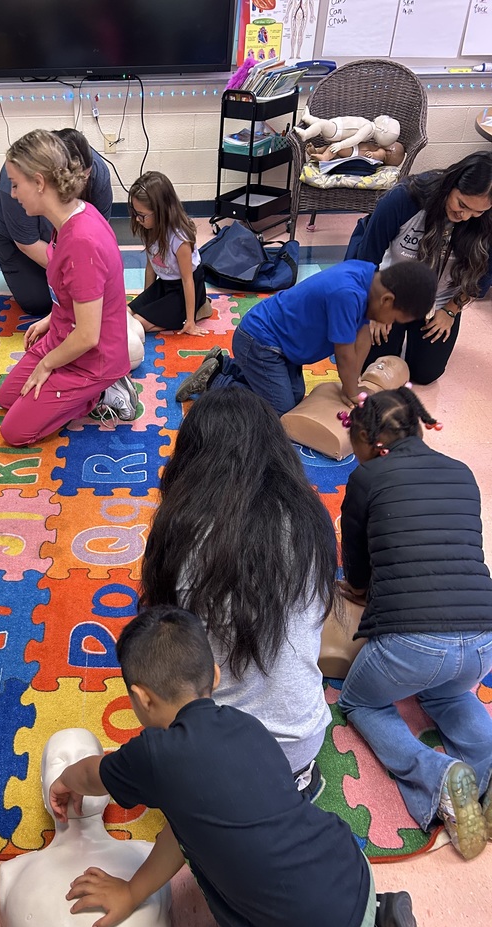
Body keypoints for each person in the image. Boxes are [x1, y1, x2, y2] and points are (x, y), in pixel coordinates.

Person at [49, 606, 423, 927]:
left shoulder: (155, 756)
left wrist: (65, 779)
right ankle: (381, 919)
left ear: (141, 698)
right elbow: (182, 831)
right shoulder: (247, 726)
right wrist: (133, 892)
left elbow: (91, 774)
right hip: (354, 878)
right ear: (214, 674)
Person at [141, 387, 336, 793]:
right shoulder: (310, 515)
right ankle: (292, 782)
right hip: (302, 737)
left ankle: (224, 795)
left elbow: (165, 640)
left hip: (214, 748)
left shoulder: (180, 527)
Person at [336, 387, 492, 861]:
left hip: (413, 645)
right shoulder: (463, 472)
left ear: (369, 438)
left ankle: (438, 776)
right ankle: (487, 767)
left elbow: (357, 566)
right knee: (447, 692)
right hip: (483, 641)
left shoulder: (368, 478)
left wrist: (358, 592)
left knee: (360, 701)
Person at [0, 728, 175, 927]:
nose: (71, 769)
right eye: (59, 762)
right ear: (44, 787)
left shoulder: (152, 858)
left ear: (108, 781)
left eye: (85, 760)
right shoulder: (13, 872)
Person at [0, 130, 137, 446]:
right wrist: (50, 320)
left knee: (14, 432)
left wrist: (47, 363)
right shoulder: (72, 217)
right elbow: (76, 292)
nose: (14, 193)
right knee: (7, 398)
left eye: (16, 184)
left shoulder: (82, 241)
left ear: (39, 182)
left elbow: (88, 335)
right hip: (64, 334)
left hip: (92, 356)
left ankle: (104, 389)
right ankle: (74, 391)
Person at [175, 260, 437, 416]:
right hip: (260, 342)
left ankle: (225, 366)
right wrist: (351, 391)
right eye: (395, 318)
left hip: (283, 349)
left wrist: (354, 385)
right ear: (388, 300)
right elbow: (344, 354)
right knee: (279, 410)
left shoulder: (368, 278)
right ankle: (215, 379)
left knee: (297, 395)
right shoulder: (347, 295)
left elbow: (364, 336)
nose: (390, 324)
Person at [346, 151, 492, 384]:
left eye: (478, 212)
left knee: (425, 374)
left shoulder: (485, 222)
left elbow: (482, 279)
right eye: (462, 204)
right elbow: (367, 257)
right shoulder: (404, 198)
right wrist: (375, 308)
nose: (465, 216)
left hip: (440, 300)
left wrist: (451, 311)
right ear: (451, 184)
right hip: (388, 293)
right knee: (371, 364)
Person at [0, 127, 113, 316]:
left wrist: (80, 275)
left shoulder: (96, 173)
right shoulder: (17, 187)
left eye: (85, 178)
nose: (81, 184)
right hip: (22, 240)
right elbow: (27, 243)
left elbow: (87, 337)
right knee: (41, 302)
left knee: (72, 294)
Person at [127, 171, 211, 337]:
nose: (137, 219)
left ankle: (198, 309)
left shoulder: (180, 239)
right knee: (126, 312)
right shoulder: (150, 228)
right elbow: (151, 267)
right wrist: (147, 302)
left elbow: (188, 280)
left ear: (160, 212)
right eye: (135, 213)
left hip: (185, 288)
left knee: (138, 322)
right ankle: (185, 311)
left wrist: (190, 322)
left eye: (141, 215)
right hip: (165, 284)